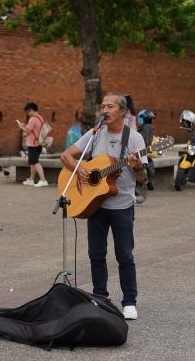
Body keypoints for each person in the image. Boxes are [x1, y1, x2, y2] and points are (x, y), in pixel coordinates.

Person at [60, 93, 148, 320]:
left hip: (122, 206)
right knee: (96, 254)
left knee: (124, 255)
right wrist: (81, 171)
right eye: (103, 106)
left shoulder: (135, 138)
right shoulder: (95, 134)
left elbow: (142, 179)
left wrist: (138, 166)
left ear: (122, 111)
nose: (104, 110)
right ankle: (100, 296)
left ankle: (129, 302)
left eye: (109, 106)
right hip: (95, 204)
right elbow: (66, 155)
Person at [16, 102, 48, 187]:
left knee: (35, 162)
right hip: (39, 143)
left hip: (33, 143)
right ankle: (31, 179)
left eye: (27, 112)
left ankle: (43, 180)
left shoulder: (33, 119)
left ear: (31, 110)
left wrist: (21, 126)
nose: (27, 114)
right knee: (33, 162)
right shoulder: (40, 118)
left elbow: (27, 131)